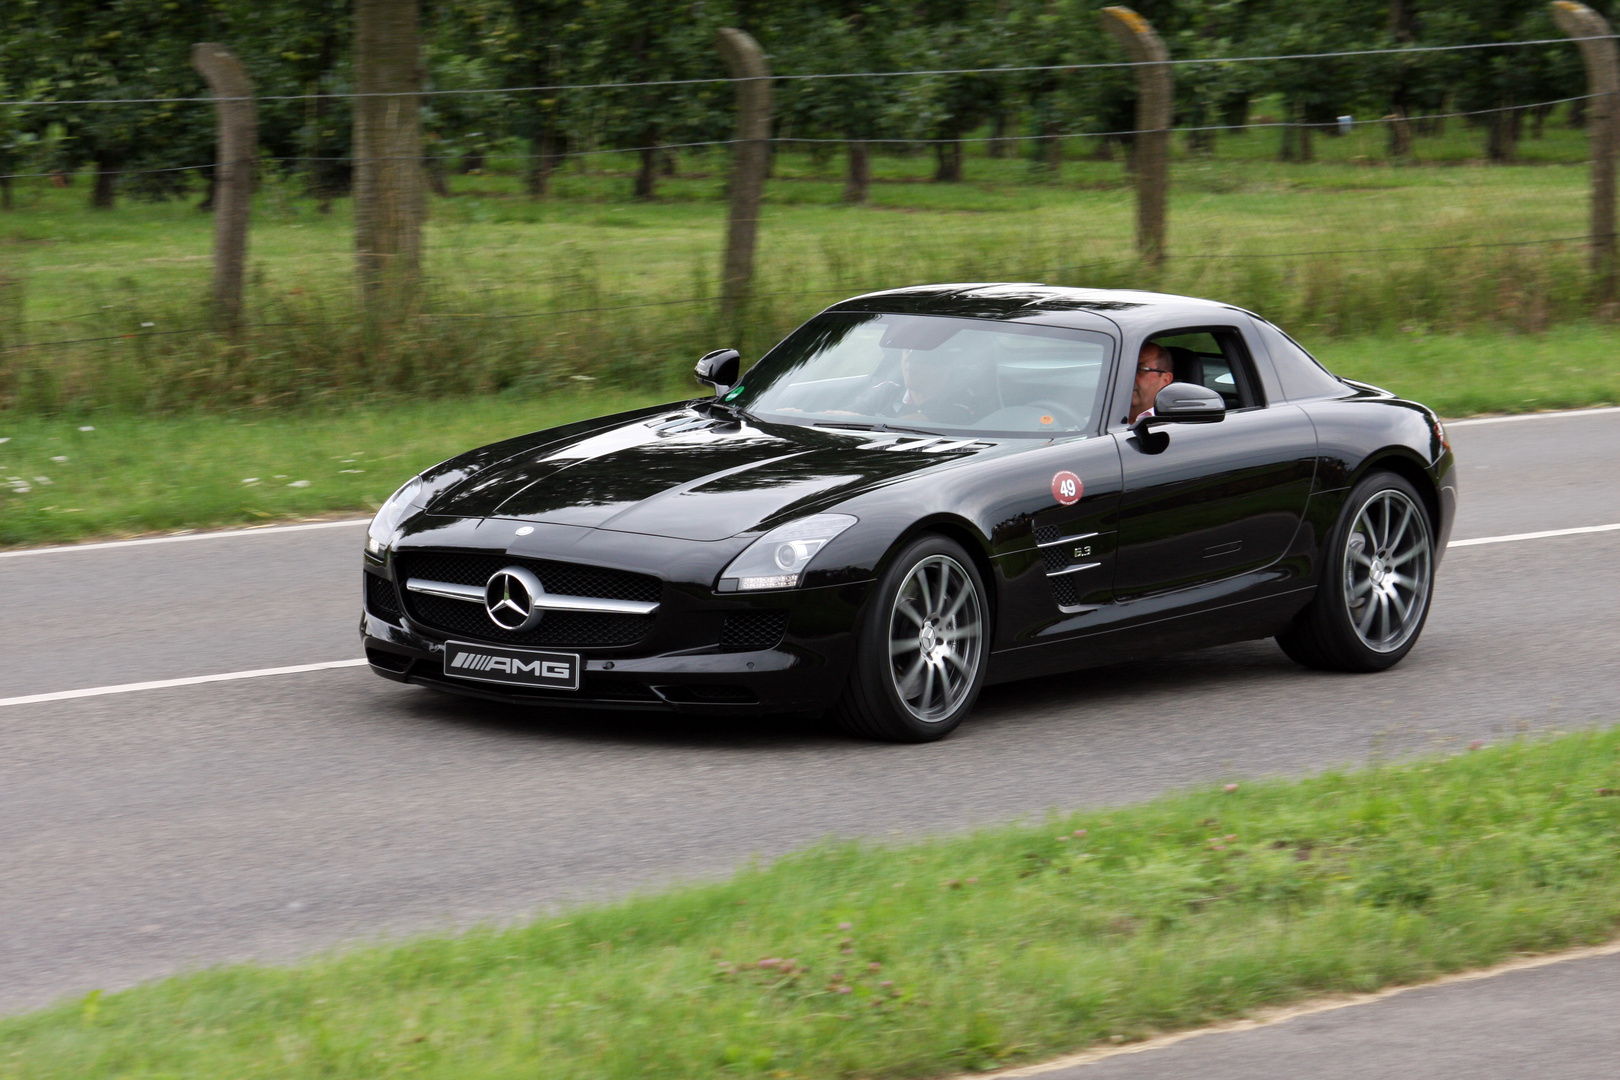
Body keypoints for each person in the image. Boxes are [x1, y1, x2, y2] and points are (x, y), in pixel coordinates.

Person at [851, 348, 979, 425]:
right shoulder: (887, 391)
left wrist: (866, 421)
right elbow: (846, 414)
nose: (909, 359)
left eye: (920, 354)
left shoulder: (964, 402)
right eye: (906, 351)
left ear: (945, 366)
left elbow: (921, 421)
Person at [1128, 341, 1174, 424]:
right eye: (1125, 369)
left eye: (1140, 369)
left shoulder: (1174, 426)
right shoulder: (1099, 414)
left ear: (1165, 380)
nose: (1128, 375)